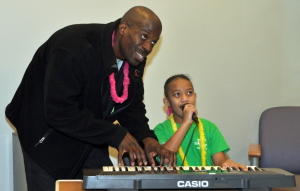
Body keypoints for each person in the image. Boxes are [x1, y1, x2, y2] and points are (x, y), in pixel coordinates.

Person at [5, 6, 175, 191]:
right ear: (124, 28)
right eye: (144, 36)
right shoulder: (75, 48)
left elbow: (130, 105)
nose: (148, 47)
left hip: (88, 132)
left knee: (103, 185)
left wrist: (147, 138)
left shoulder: (134, 57)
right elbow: (58, 111)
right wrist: (116, 135)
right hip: (45, 137)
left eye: (154, 42)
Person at [154, 74, 247, 169]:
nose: (185, 98)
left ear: (195, 96)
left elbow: (219, 161)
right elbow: (165, 159)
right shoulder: (161, 130)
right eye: (177, 94)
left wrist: (226, 163)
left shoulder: (210, 127)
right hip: (173, 182)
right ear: (167, 102)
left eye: (189, 93)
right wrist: (186, 123)